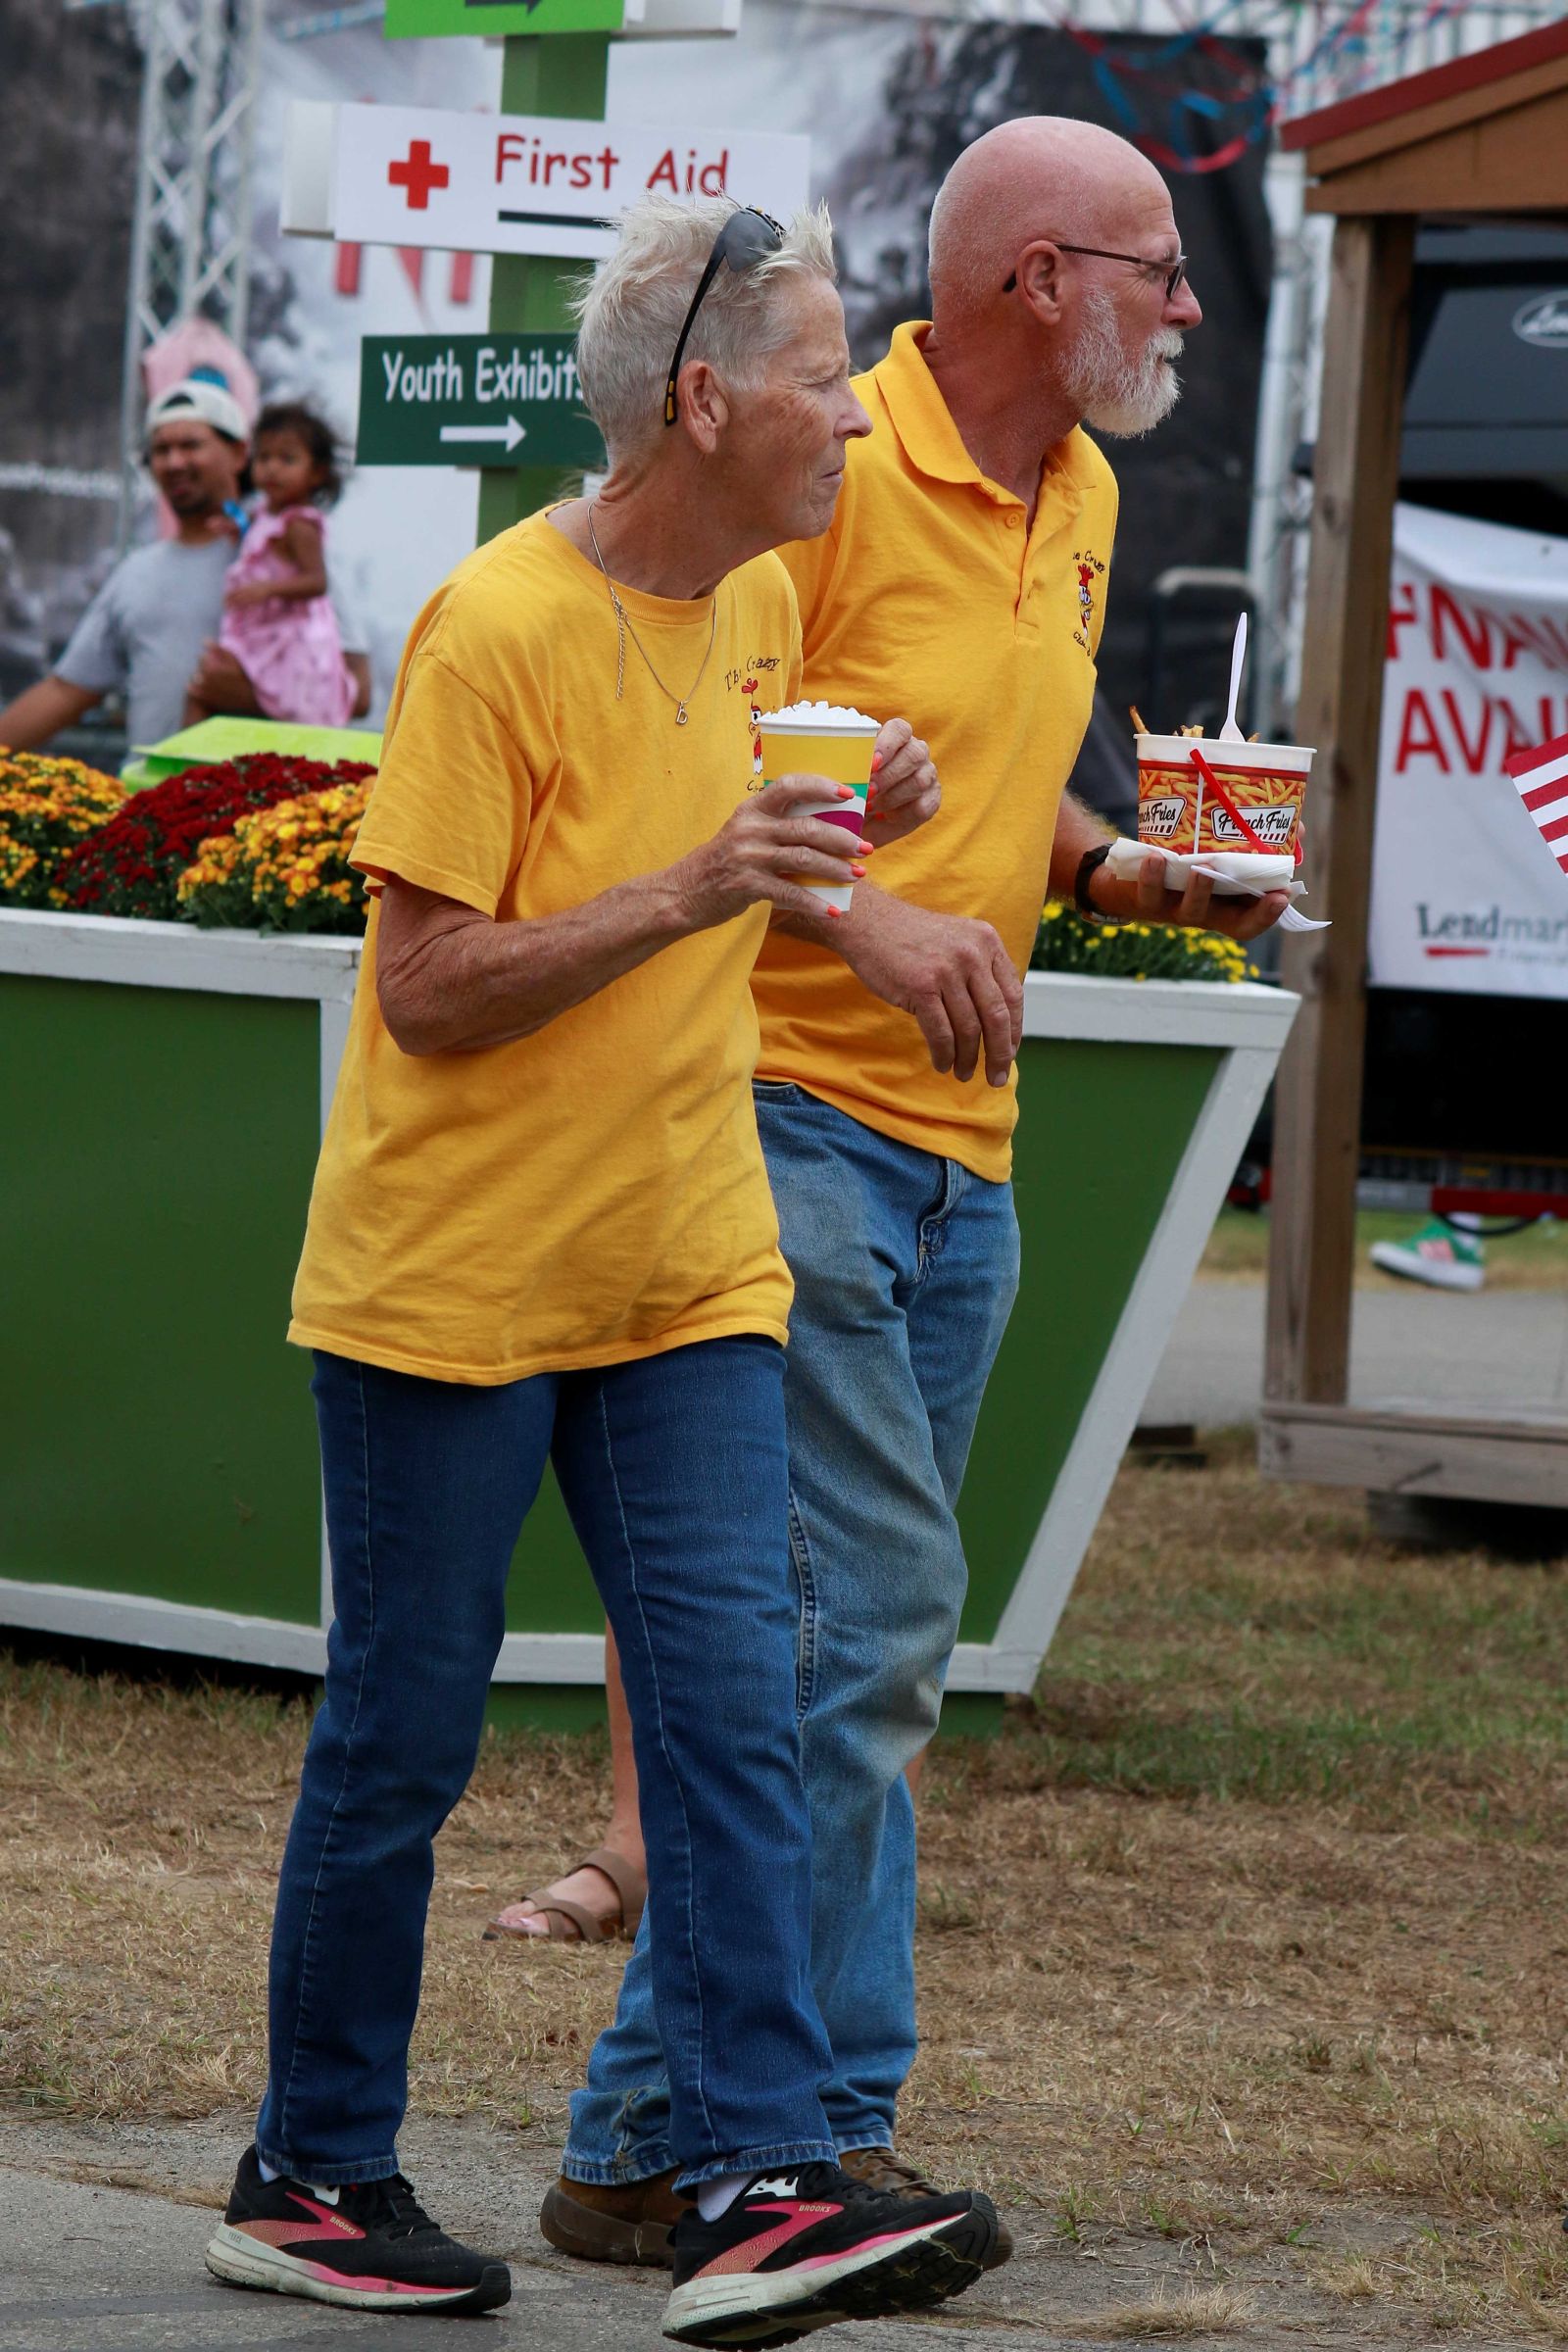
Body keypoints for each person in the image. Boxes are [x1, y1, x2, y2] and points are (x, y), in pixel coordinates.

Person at [201, 196, 1000, 2345]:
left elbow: (734, 834)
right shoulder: (495, 624)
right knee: (399, 1743)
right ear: (702, 396)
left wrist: (847, 829)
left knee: (740, 1725)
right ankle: (311, 2172)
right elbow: (433, 987)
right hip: (453, 1284)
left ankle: (751, 2177)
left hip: (685, 1272)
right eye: (831, 374)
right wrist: (688, 889)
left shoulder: (749, 598)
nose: (858, 411)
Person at [538, 118, 1290, 2267]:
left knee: (847, 1659)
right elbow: (704, 750)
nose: (1184, 300)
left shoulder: (1086, 489)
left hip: (961, 1166)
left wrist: (1113, 860)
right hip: (779, 1119)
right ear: (1037, 279)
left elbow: (965, 755)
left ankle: (663, 2138)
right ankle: (774, 2135)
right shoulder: (813, 463)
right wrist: (859, 929)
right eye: (1155, 265)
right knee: (858, 1644)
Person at [0, 380, 369, 762]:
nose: (175, 462)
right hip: (150, 807)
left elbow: (358, 692)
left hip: (262, 815)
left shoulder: (282, 550)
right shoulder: (136, 571)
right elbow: (67, 692)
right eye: (162, 450)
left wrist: (256, 696)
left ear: (240, 454)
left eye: (191, 445)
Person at [184, 401, 356, 730]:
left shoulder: (300, 525)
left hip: (288, 640)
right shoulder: (265, 514)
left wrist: (268, 589)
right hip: (262, 630)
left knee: (204, 691)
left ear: (316, 473)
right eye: (264, 458)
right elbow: (262, 541)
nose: (272, 468)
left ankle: (184, 775)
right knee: (204, 688)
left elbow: (317, 582)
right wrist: (237, 529)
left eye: (287, 459)